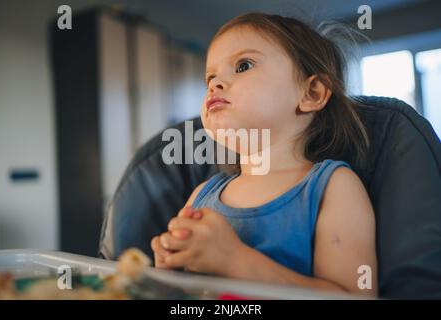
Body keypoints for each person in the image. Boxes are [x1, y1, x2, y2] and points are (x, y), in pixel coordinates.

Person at [151, 12, 377, 297]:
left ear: (312, 93)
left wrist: (235, 260)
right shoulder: (201, 195)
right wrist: (171, 270)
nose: (214, 84)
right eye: (210, 77)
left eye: (243, 65)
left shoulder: (333, 186)